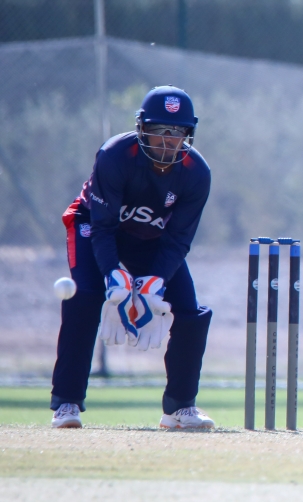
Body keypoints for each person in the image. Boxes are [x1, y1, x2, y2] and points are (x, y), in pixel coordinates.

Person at [50, 85, 215, 430]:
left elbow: (178, 239)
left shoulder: (197, 173)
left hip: (152, 240)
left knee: (189, 311)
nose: (169, 141)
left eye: (178, 133)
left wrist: (154, 281)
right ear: (142, 129)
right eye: (160, 131)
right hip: (93, 225)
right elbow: (104, 227)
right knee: (87, 296)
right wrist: (113, 274)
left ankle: (180, 408)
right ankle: (67, 403)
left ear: (189, 134)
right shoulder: (114, 155)